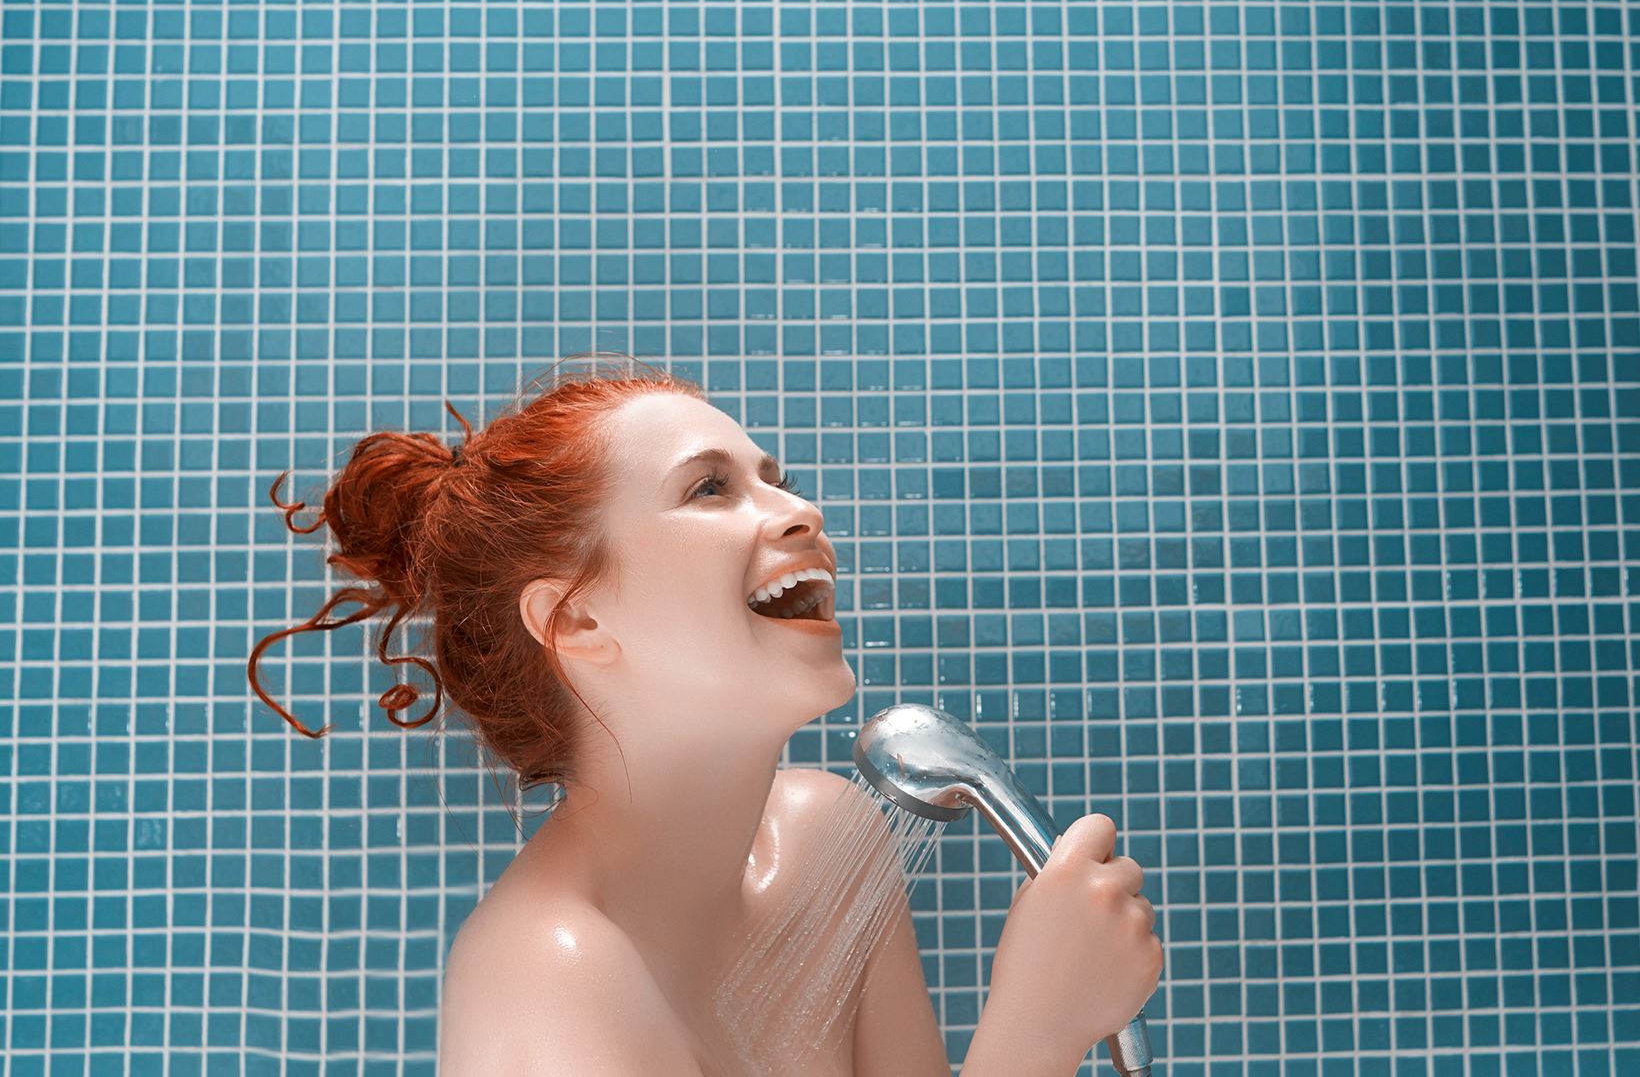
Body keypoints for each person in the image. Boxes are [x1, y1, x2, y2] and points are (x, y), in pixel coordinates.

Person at [248, 353, 1163, 1076]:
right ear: (576, 620)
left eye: (776, 478)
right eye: (709, 489)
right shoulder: (552, 983)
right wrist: (1035, 1037)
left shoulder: (827, 844)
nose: (802, 509)